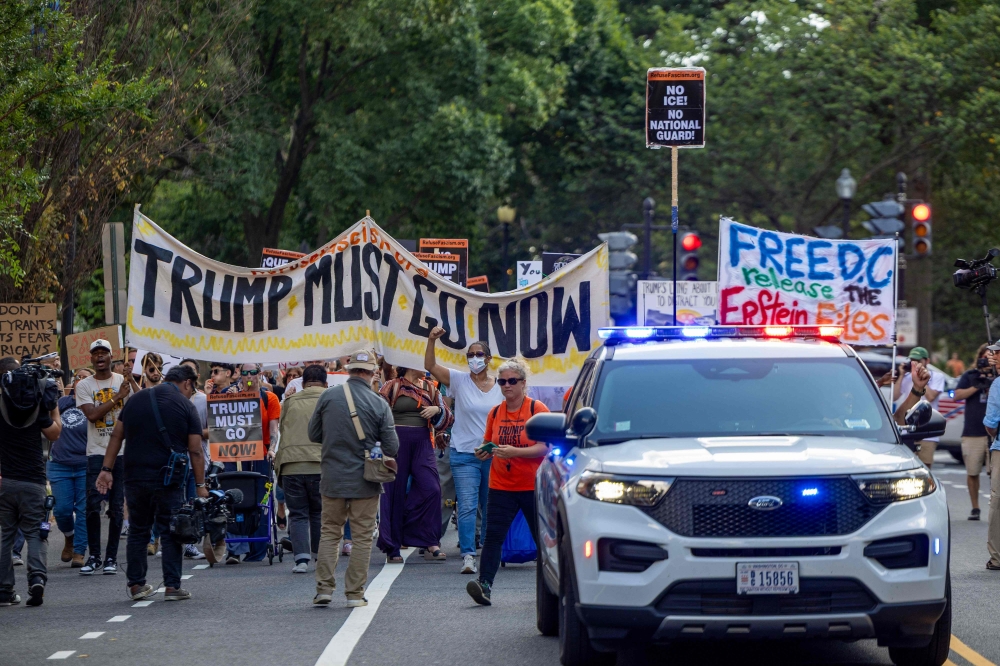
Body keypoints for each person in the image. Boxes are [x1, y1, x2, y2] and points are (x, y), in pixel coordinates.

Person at [96, 365, 207, 601]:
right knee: (170, 530)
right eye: (192, 388)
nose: (191, 393)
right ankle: (172, 587)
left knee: (138, 529)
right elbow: (195, 450)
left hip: (134, 476)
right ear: (187, 383)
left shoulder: (135, 401)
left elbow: (117, 435)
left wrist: (106, 469)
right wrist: (200, 485)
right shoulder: (186, 405)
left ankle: (136, 585)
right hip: (169, 478)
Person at [308, 350, 399, 607]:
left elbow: (313, 434)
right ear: (372, 373)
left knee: (329, 534)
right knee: (361, 537)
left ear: (350, 370)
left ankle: (323, 590)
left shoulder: (328, 396)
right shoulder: (379, 403)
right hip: (365, 478)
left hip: (332, 476)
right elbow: (392, 446)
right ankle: (354, 594)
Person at [466, 358, 550, 606]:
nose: (506, 386)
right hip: (501, 485)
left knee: (542, 539)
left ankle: (552, 589)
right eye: (502, 382)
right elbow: (487, 441)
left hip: (531, 486)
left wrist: (515, 452)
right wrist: (483, 450)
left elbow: (545, 447)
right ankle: (484, 586)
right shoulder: (495, 412)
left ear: (523, 383)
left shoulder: (537, 409)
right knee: (493, 537)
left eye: (512, 381)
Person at [424, 327, 501, 575]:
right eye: (470, 355)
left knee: (491, 507)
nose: (474, 358)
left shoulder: (502, 385)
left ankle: (489, 552)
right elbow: (431, 365)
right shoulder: (458, 380)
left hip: (493, 455)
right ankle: (468, 555)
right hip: (464, 454)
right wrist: (431, 340)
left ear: (489, 359)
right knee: (467, 505)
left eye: (479, 354)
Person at [0, 357, 62, 606]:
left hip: (5, 482)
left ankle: (4, 591)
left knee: (5, 535)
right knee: (36, 534)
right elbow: (54, 433)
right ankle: (36, 579)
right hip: (34, 481)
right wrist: (52, 404)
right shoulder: (36, 405)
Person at [377, 364, 454, 562]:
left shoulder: (430, 387)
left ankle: (430, 541)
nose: (427, 367)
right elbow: (377, 412)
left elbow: (447, 418)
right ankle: (393, 548)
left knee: (432, 489)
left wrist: (437, 408)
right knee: (393, 492)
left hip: (422, 442)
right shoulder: (392, 385)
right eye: (422, 364)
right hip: (395, 441)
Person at [76, 339, 130, 575]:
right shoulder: (84, 385)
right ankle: (94, 556)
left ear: (111, 357)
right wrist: (117, 397)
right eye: (95, 353)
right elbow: (92, 415)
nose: (100, 356)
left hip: (122, 453)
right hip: (97, 452)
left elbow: (141, 402)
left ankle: (110, 558)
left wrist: (132, 381)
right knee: (92, 505)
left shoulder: (123, 381)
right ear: (91, 358)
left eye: (104, 353)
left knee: (117, 508)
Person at [223, 362, 280, 564]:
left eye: (252, 372)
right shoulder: (228, 394)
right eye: (244, 372)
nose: (248, 376)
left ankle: (258, 548)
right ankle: (235, 549)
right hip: (235, 456)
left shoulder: (269, 398)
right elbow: (218, 423)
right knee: (233, 499)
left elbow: (274, 429)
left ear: (260, 374)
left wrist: (272, 448)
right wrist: (229, 399)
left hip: (260, 455)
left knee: (260, 500)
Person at [274, 365, 327, 573]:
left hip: (291, 464)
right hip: (321, 462)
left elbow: (282, 427)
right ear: (325, 383)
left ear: (303, 383)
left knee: (297, 514)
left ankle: (301, 560)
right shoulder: (331, 398)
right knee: (319, 512)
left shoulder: (290, 401)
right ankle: (318, 555)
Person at [49, 373, 91, 568]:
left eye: (85, 376)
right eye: (77, 376)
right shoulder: (63, 402)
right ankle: (69, 536)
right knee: (62, 510)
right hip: (60, 465)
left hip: (85, 464)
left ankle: (79, 551)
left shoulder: (94, 405)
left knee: (83, 510)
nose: (81, 379)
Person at [954, 344, 994, 520]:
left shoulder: (998, 378)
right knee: (972, 471)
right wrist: (978, 386)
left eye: (991, 357)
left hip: (994, 433)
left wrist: (992, 381)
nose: (987, 360)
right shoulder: (970, 376)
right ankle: (975, 507)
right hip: (973, 431)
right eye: (984, 357)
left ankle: (995, 507)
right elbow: (957, 395)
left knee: (996, 473)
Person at [892, 347, 945, 467]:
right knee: (907, 466)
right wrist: (901, 375)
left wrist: (920, 383)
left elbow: (931, 397)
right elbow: (894, 396)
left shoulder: (937, 377)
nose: (914, 364)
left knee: (925, 466)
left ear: (927, 361)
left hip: (927, 428)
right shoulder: (906, 377)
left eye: (918, 361)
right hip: (907, 428)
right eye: (912, 361)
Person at [983, 343, 1000, 569]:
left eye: (997, 352)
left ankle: (997, 557)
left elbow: (991, 423)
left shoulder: (998, 384)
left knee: (998, 502)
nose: (993, 356)